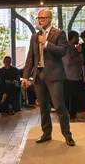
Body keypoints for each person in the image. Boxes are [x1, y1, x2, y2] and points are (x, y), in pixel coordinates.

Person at [22, 8, 75, 146]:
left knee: (59, 106)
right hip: (39, 76)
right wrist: (26, 77)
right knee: (43, 107)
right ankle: (46, 133)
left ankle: (67, 135)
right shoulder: (35, 36)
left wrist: (46, 43)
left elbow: (62, 51)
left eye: (43, 18)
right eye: (39, 18)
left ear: (50, 18)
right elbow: (30, 58)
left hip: (54, 76)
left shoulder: (59, 33)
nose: (40, 20)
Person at [63, 30, 84, 121]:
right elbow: (68, 62)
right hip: (71, 76)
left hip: (72, 75)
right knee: (72, 96)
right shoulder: (69, 48)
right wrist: (79, 55)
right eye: (77, 37)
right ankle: (71, 115)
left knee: (72, 96)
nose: (78, 39)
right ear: (74, 37)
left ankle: (72, 114)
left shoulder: (71, 47)